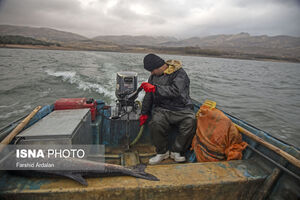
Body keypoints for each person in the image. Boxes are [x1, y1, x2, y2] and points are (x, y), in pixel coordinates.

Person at [139, 53, 196, 165]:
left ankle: (176, 151)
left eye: (152, 70)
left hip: (182, 108)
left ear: (160, 66)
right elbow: (149, 95)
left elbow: (176, 90)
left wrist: (155, 88)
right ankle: (162, 152)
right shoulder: (153, 77)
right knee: (155, 122)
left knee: (191, 122)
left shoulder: (179, 73)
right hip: (162, 108)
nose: (151, 73)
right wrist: (144, 113)